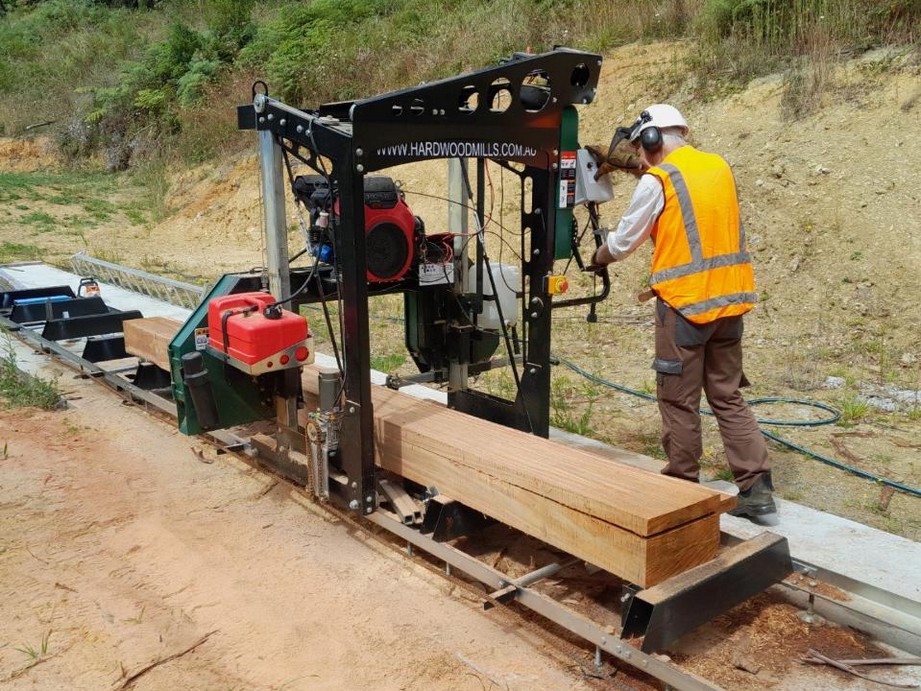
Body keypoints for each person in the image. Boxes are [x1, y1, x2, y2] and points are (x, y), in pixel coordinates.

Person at [589, 104, 775, 518]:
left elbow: (623, 244)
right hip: (729, 302)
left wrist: (599, 255)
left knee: (678, 400)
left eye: (640, 148)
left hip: (685, 306)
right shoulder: (718, 167)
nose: (639, 158)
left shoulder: (660, 179)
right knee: (727, 395)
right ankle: (757, 487)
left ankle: (680, 488)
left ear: (653, 140)